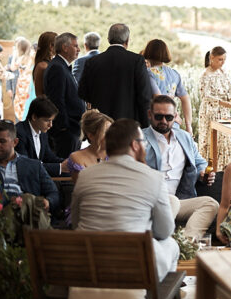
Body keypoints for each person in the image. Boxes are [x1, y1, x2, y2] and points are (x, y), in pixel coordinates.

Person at [71, 118, 179, 280]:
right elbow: (164, 231)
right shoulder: (154, 178)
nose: (145, 147)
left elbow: (76, 222)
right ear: (135, 145)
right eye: (143, 142)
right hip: (135, 267)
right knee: (171, 245)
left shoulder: (85, 176)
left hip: (90, 264)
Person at [142, 95, 219, 241]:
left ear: (176, 116)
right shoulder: (139, 139)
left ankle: (186, 244)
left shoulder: (184, 137)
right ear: (150, 115)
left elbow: (199, 162)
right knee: (171, 201)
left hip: (181, 200)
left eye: (169, 117)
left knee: (210, 204)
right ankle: (160, 245)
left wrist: (203, 173)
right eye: (159, 116)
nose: (164, 121)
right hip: (153, 201)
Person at [0, 119, 59, 212]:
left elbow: (53, 193)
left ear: (15, 142)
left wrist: (48, 202)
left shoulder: (34, 166)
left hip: (25, 215)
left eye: (2, 141)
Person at [77, 23, 153, 127]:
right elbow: (144, 95)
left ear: (108, 39)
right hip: (128, 124)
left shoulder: (93, 62)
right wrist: (146, 125)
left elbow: (82, 92)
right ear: (127, 40)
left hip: (100, 125)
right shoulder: (137, 61)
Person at [44, 32, 86, 158]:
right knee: (66, 170)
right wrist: (63, 127)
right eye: (75, 46)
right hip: (66, 132)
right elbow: (57, 100)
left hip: (72, 129)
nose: (79, 49)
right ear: (64, 47)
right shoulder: (57, 67)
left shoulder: (62, 66)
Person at [198, 47, 231, 164]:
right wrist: (222, 103)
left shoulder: (223, 72)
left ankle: (226, 170)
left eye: (224, 60)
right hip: (211, 113)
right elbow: (206, 96)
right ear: (212, 58)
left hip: (224, 113)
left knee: (225, 141)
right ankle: (211, 170)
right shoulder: (205, 75)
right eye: (220, 59)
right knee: (212, 142)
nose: (223, 62)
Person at [143, 39, 193, 134]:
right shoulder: (174, 73)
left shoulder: (149, 73)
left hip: (157, 123)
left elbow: (158, 97)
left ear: (148, 51)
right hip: (173, 123)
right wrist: (188, 125)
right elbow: (186, 98)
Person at [14, 96, 67, 177]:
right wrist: (60, 167)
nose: (51, 125)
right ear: (34, 117)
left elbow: (49, 157)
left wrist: (69, 162)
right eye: (47, 120)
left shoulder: (42, 132)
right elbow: (26, 165)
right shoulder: (20, 133)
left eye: (52, 120)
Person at [66, 110, 113, 181]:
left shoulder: (119, 155)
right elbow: (86, 189)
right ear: (90, 135)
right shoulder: (77, 158)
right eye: (106, 132)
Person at [11, 37, 35, 122]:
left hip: (25, 84)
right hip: (24, 84)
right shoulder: (28, 57)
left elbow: (12, 67)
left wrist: (14, 55)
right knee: (23, 104)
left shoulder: (28, 57)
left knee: (23, 104)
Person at [32, 31, 57, 99]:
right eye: (58, 44)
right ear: (51, 46)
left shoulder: (47, 63)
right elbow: (39, 94)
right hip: (47, 107)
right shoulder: (42, 66)